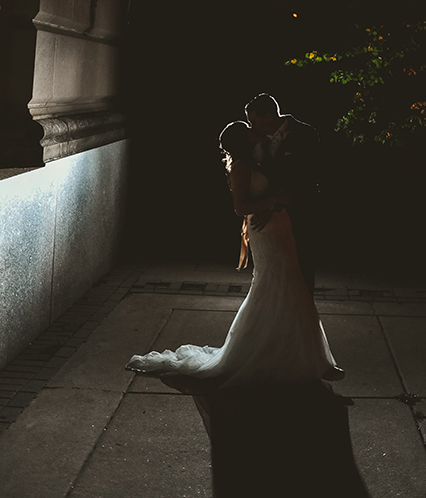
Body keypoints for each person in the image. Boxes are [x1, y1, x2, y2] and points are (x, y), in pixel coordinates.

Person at [125, 118, 343, 396]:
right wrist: (275, 202)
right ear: (243, 139)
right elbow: (241, 208)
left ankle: (301, 355)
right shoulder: (240, 167)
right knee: (278, 284)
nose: (254, 129)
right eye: (248, 128)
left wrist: (277, 201)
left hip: (279, 228)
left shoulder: (254, 159)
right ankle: (286, 357)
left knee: (291, 286)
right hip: (267, 232)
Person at [244, 92, 320, 295]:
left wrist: (272, 207)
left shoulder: (305, 134)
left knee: (302, 271)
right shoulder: (256, 142)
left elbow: (305, 176)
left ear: (268, 117)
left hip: (299, 212)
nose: (251, 127)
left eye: (254, 121)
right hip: (270, 221)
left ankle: (304, 321)